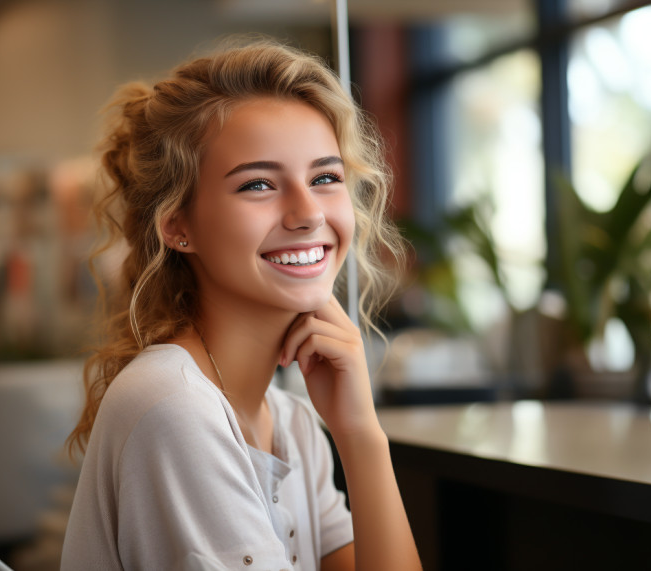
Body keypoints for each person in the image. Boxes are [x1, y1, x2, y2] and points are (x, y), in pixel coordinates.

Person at [61, 39, 421, 571]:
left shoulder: (293, 423)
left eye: (325, 177)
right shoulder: (174, 407)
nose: (308, 213)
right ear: (178, 226)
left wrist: (361, 434)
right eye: (258, 184)